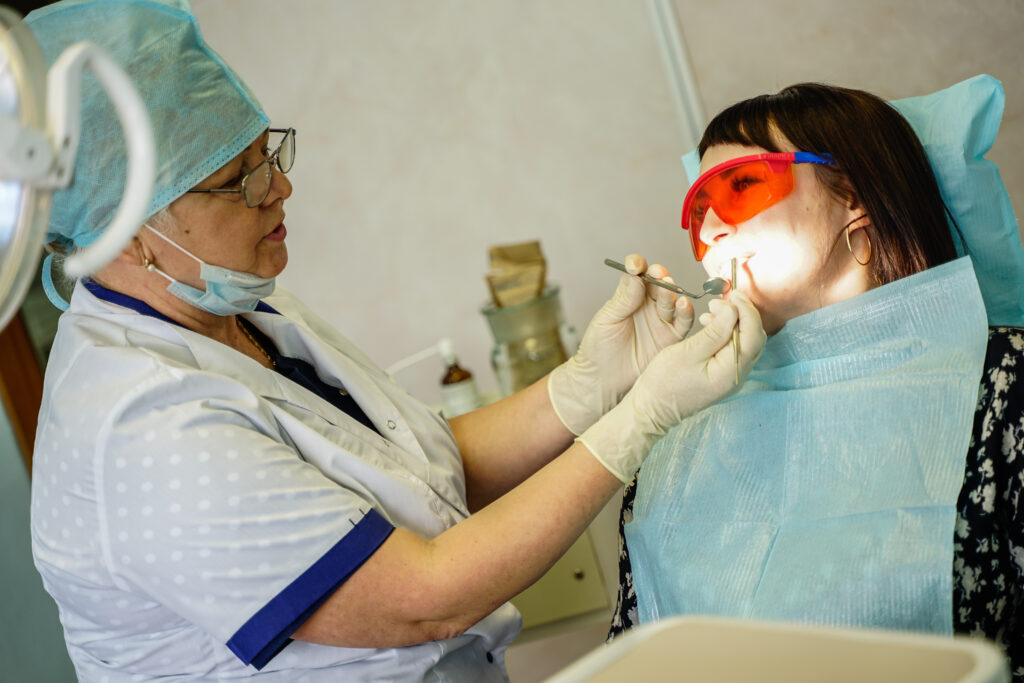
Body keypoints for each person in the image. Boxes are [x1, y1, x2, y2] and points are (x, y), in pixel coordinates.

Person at [24, 1, 766, 680]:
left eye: (267, 154)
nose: (279, 189)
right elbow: (424, 598)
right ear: (127, 236)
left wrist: (591, 383)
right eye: (238, 179)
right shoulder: (137, 431)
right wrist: (636, 423)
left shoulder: (237, 299)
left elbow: (420, 470)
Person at [608, 81, 1023, 679]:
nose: (712, 229)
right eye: (699, 209)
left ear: (853, 194)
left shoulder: (1003, 384)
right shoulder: (678, 428)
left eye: (741, 186)